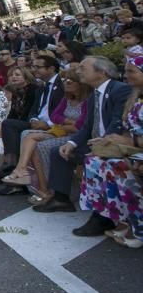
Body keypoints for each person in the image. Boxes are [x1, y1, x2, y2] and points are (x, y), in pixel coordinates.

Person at [34, 56, 133, 214]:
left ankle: (102, 215)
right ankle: (61, 199)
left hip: (112, 143)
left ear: (101, 72)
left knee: (95, 159)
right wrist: (71, 143)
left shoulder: (119, 89)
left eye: (82, 68)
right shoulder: (95, 94)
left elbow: (117, 123)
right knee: (59, 151)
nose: (78, 71)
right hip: (94, 141)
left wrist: (101, 144)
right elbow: (87, 127)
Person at [74, 59, 143, 239]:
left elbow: (130, 134)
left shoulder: (122, 91)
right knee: (94, 161)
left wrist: (128, 140)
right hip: (133, 148)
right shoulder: (135, 97)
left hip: (136, 150)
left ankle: (135, 225)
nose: (125, 75)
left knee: (115, 166)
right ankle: (110, 216)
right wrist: (115, 140)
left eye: (131, 72)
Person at [2, 67, 89, 189]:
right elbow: (54, 116)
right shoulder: (67, 98)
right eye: (64, 80)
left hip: (76, 136)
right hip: (61, 131)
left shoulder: (87, 101)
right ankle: (23, 172)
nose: (65, 83)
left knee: (40, 146)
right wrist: (68, 122)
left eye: (69, 81)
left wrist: (65, 124)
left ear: (80, 84)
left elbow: (80, 126)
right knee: (29, 136)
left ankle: (46, 187)